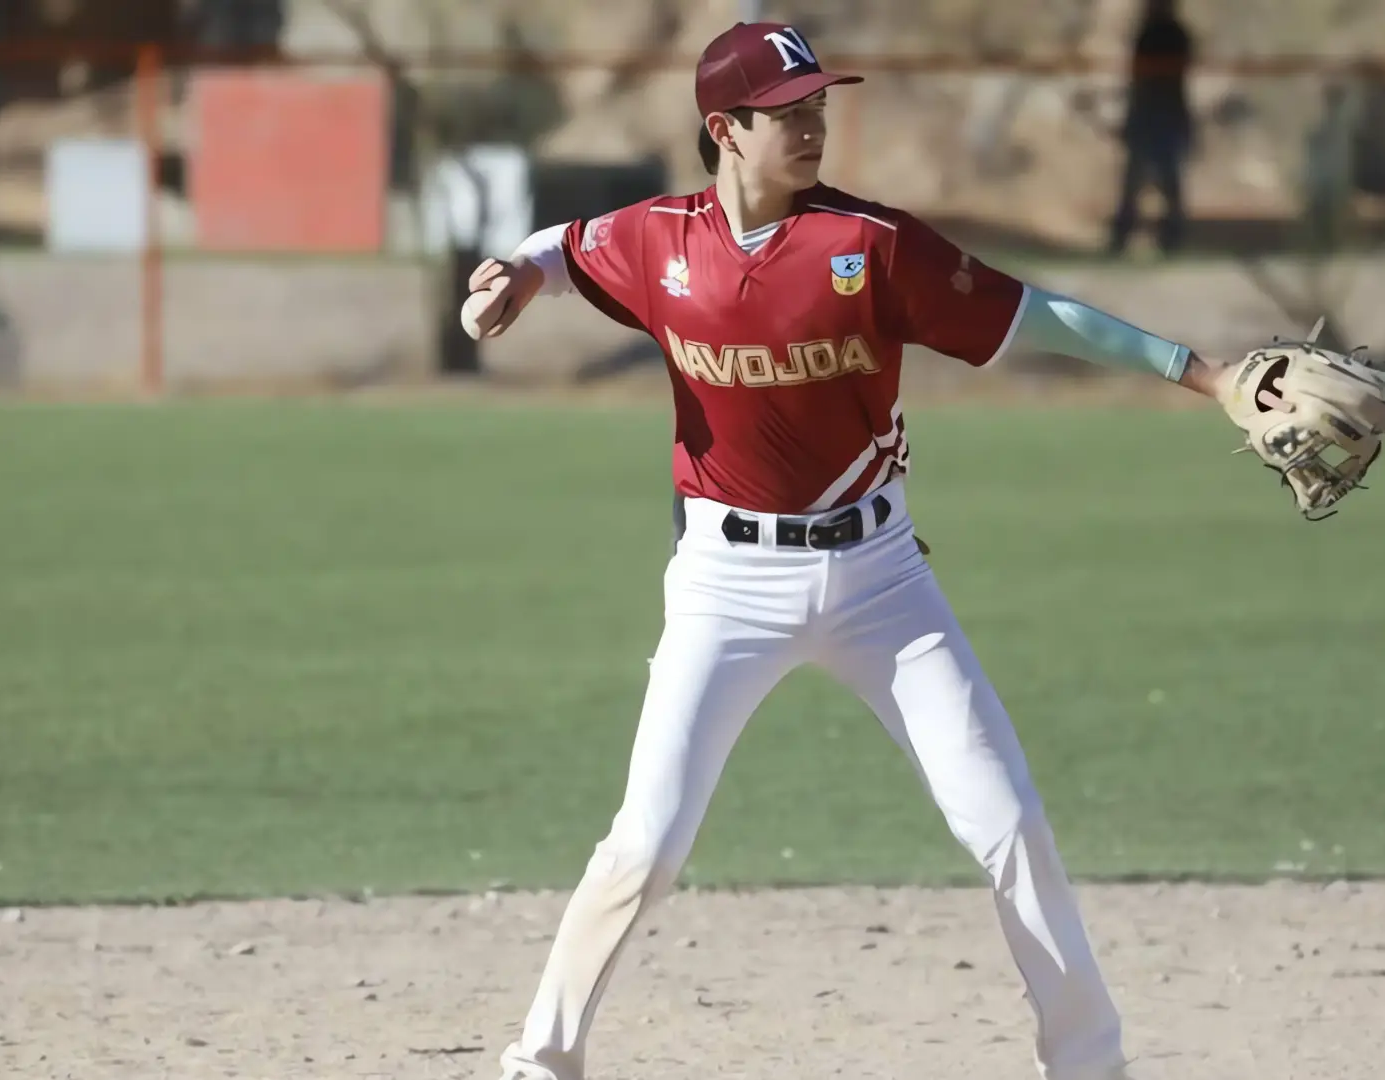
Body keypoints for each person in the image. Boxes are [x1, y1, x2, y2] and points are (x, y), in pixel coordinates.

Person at [464, 21, 1245, 1080]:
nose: (813, 125)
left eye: (818, 105)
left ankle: (1089, 1064)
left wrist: (1204, 374)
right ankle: (540, 1063)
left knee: (1009, 823)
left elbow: (1038, 315)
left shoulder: (871, 245)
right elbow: (566, 246)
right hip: (725, 586)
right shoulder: (659, 241)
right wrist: (515, 270)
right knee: (645, 843)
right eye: (787, 112)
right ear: (723, 130)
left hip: (884, 584)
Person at [1107, 0, 1195, 256]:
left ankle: (1165, 238)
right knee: (1142, 181)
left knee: (1161, 181)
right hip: (1153, 115)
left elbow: (1148, 78)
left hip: (1160, 115)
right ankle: (1133, 237)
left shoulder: (1168, 34)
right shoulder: (1159, 34)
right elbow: (1139, 78)